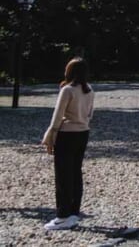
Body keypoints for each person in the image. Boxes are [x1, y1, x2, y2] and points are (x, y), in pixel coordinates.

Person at [41, 57, 95, 231]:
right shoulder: (90, 90)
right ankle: (73, 212)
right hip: (83, 133)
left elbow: (57, 116)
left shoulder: (67, 90)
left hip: (66, 134)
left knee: (63, 176)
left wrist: (51, 134)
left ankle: (62, 215)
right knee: (75, 172)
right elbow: (90, 114)